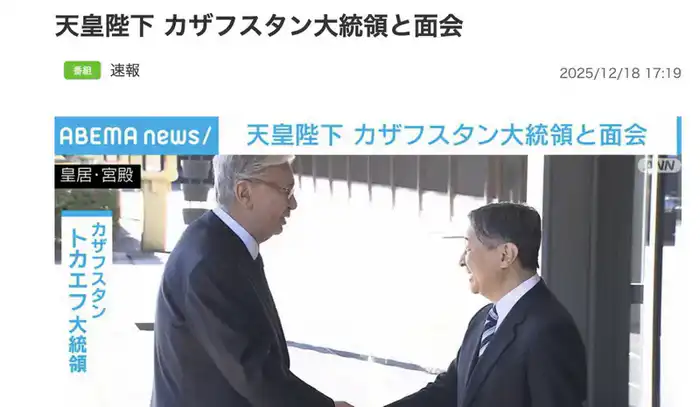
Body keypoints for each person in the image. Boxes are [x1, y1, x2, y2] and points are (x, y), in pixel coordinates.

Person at [151, 155, 352, 407]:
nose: (292, 204)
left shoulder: (222, 242)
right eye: (285, 191)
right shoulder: (210, 262)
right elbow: (251, 370)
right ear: (244, 193)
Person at [385, 202, 587, 407]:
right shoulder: (483, 319)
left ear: (505, 255)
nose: (461, 261)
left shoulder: (549, 330)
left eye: (468, 248)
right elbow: (449, 390)